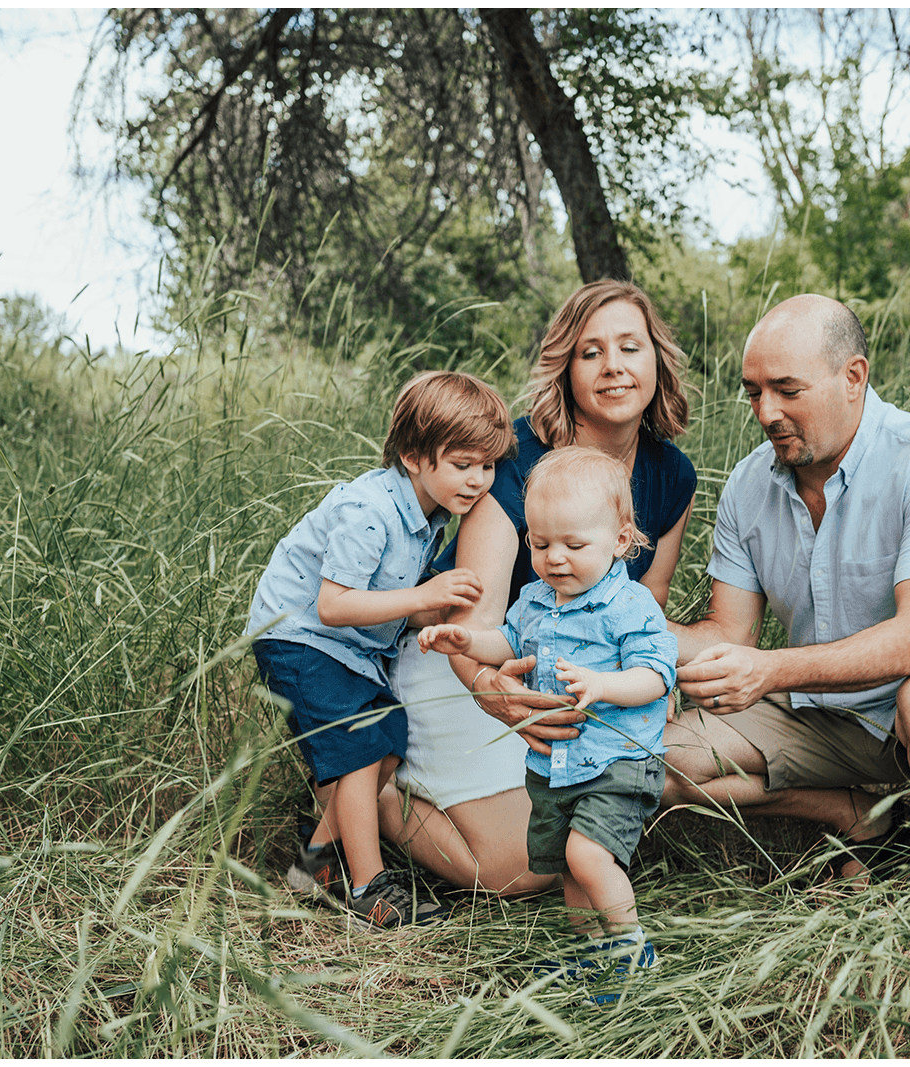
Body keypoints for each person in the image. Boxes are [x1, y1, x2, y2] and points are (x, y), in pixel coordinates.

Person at [663, 294, 910, 891]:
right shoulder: (746, 485)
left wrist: (769, 671)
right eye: (753, 392)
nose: (766, 412)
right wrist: (625, 626)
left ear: (853, 377)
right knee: (652, 762)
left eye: (787, 391)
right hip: (826, 711)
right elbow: (727, 636)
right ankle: (860, 815)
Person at [382, 280, 695, 896]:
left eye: (630, 347)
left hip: (570, 678)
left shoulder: (670, 473)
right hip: (458, 657)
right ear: (567, 370)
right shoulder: (517, 457)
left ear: (656, 359)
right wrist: (492, 691)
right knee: (517, 870)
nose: (613, 367)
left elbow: (647, 602)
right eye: (590, 352)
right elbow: (474, 625)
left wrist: (652, 676)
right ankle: (368, 791)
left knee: (583, 830)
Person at [249, 370, 516, 927]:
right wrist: (423, 593)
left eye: (487, 467)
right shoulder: (369, 510)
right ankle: (370, 887)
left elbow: (386, 600)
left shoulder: (431, 513)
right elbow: (335, 605)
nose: (478, 481)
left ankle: (312, 865)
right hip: (302, 639)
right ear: (416, 457)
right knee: (362, 749)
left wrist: (436, 613)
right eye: (462, 464)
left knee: (390, 744)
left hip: (346, 648)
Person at [417, 447, 674, 977]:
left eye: (574, 545)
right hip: (556, 765)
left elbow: (656, 674)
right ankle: (593, 958)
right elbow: (507, 643)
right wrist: (466, 639)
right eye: (540, 543)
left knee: (588, 856)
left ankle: (632, 952)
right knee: (566, 869)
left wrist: (605, 684)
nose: (555, 557)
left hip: (617, 759)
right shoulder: (535, 599)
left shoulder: (630, 607)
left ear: (621, 541)